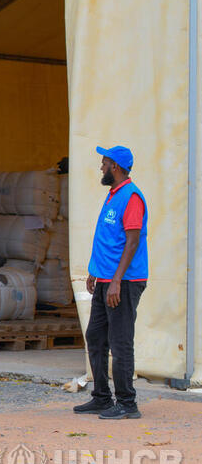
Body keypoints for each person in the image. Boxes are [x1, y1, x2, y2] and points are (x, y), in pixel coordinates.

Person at [74, 145, 148, 420]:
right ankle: (102, 398)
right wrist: (95, 271)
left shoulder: (132, 197)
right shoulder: (114, 195)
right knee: (95, 336)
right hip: (107, 279)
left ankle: (127, 403)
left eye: (104, 163)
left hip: (125, 282)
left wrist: (116, 281)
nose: (100, 167)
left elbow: (132, 242)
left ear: (115, 166)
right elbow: (108, 239)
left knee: (120, 342)